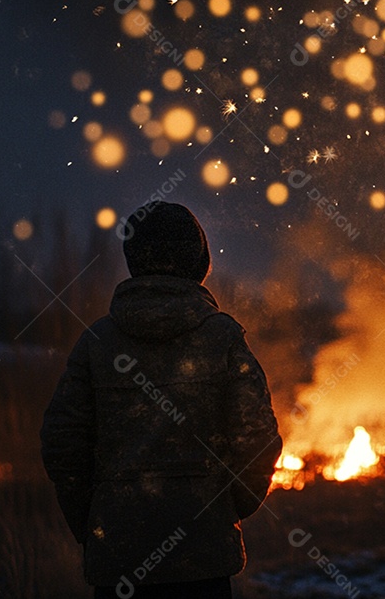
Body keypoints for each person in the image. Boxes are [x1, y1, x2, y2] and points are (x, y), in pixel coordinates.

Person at [41, 202, 281, 599]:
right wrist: (225, 510)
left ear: (134, 260)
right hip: (204, 561)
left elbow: (62, 444)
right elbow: (258, 439)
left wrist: (94, 523)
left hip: (118, 560)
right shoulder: (223, 340)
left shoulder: (96, 343)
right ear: (199, 262)